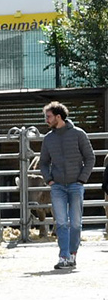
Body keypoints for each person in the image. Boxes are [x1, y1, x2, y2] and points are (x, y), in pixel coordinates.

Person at [40, 101, 96, 272]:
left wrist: (81, 180)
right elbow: (43, 162)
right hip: (58, 187)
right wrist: (49, 180)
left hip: (76, 186)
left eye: (48, 117)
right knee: (62, 223)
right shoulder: (48, 139)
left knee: (76, 223)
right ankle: (63, 256)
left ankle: (73, 254)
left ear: (59, 117)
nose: (46, 120)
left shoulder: (79, 134)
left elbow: (90, 158)